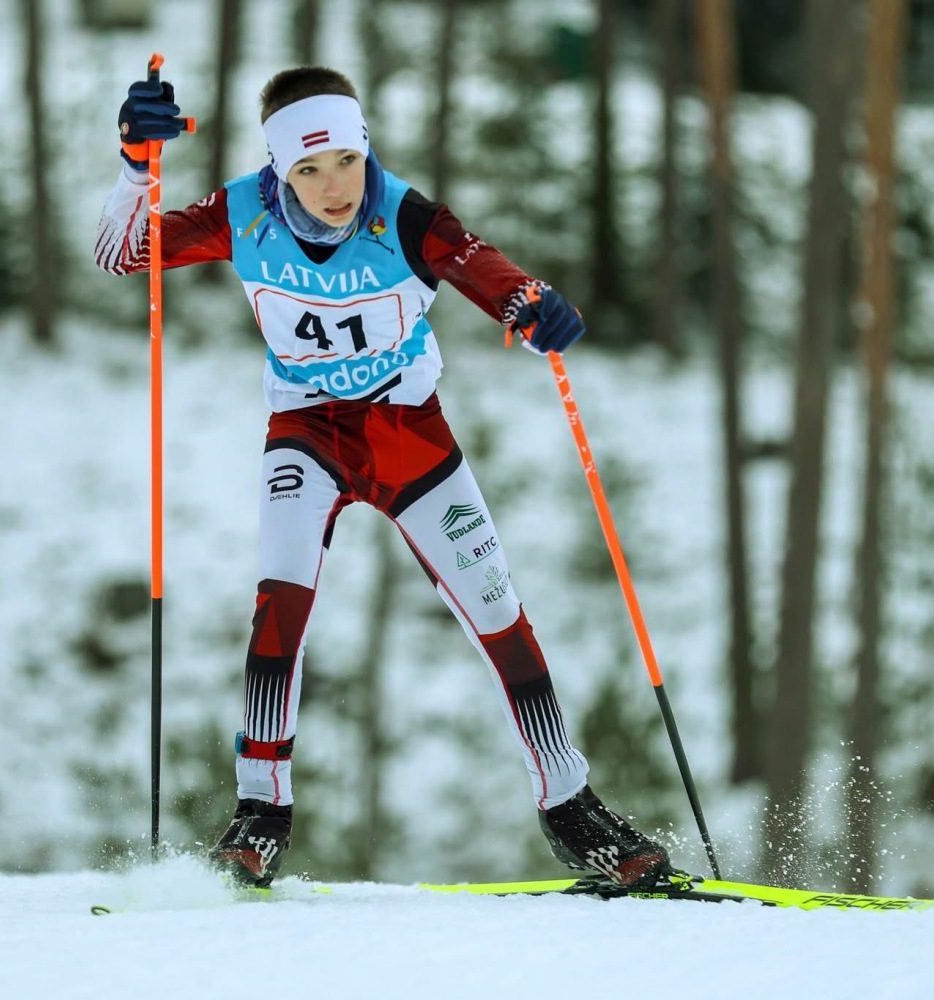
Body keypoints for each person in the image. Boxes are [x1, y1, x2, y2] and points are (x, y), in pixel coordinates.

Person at [95, 65, 678, 890]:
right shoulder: (244, 210)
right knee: (281, 602)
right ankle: (259, 814)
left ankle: (573, 808)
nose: (333, 186)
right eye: (307, 169)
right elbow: (122, 254)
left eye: (344, 160)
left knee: (497, 610)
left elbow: (489, 271)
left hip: (407, 431)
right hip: (306, 431)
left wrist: (533, 305)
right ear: (279, 171)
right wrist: (133, 165)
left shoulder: (407, 218)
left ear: (364, 146)